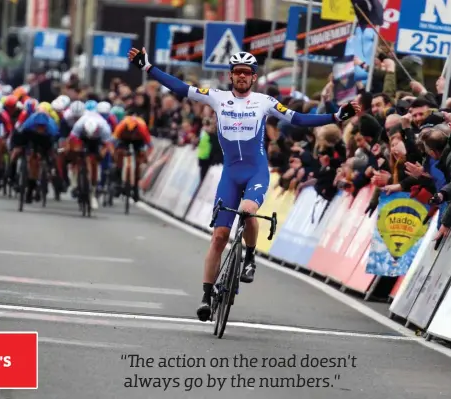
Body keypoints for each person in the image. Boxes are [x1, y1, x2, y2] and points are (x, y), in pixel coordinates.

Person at [128, 47, 360, 321]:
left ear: (253, 77)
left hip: (255, 173)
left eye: (246, 73)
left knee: (248, 210)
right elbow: (181, 88)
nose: (241, 77)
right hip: (230, 174)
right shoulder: (217, 98)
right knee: (218, 237)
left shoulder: (264, 101)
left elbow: (298, 119)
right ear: (230, 76)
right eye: (237, 72)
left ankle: (250, 257)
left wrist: (335, 117)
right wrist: (148, 67)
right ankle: (205, 296)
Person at [67, 115, 112, 209]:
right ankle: (75, 183)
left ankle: (93, 191)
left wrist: (101, 155)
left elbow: (107, 145)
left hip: (97, 141)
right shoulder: (79, 125)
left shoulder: (104, 128)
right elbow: (71, 140)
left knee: (95, 160)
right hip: (82, 138)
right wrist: (74, 151)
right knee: (75, 155)